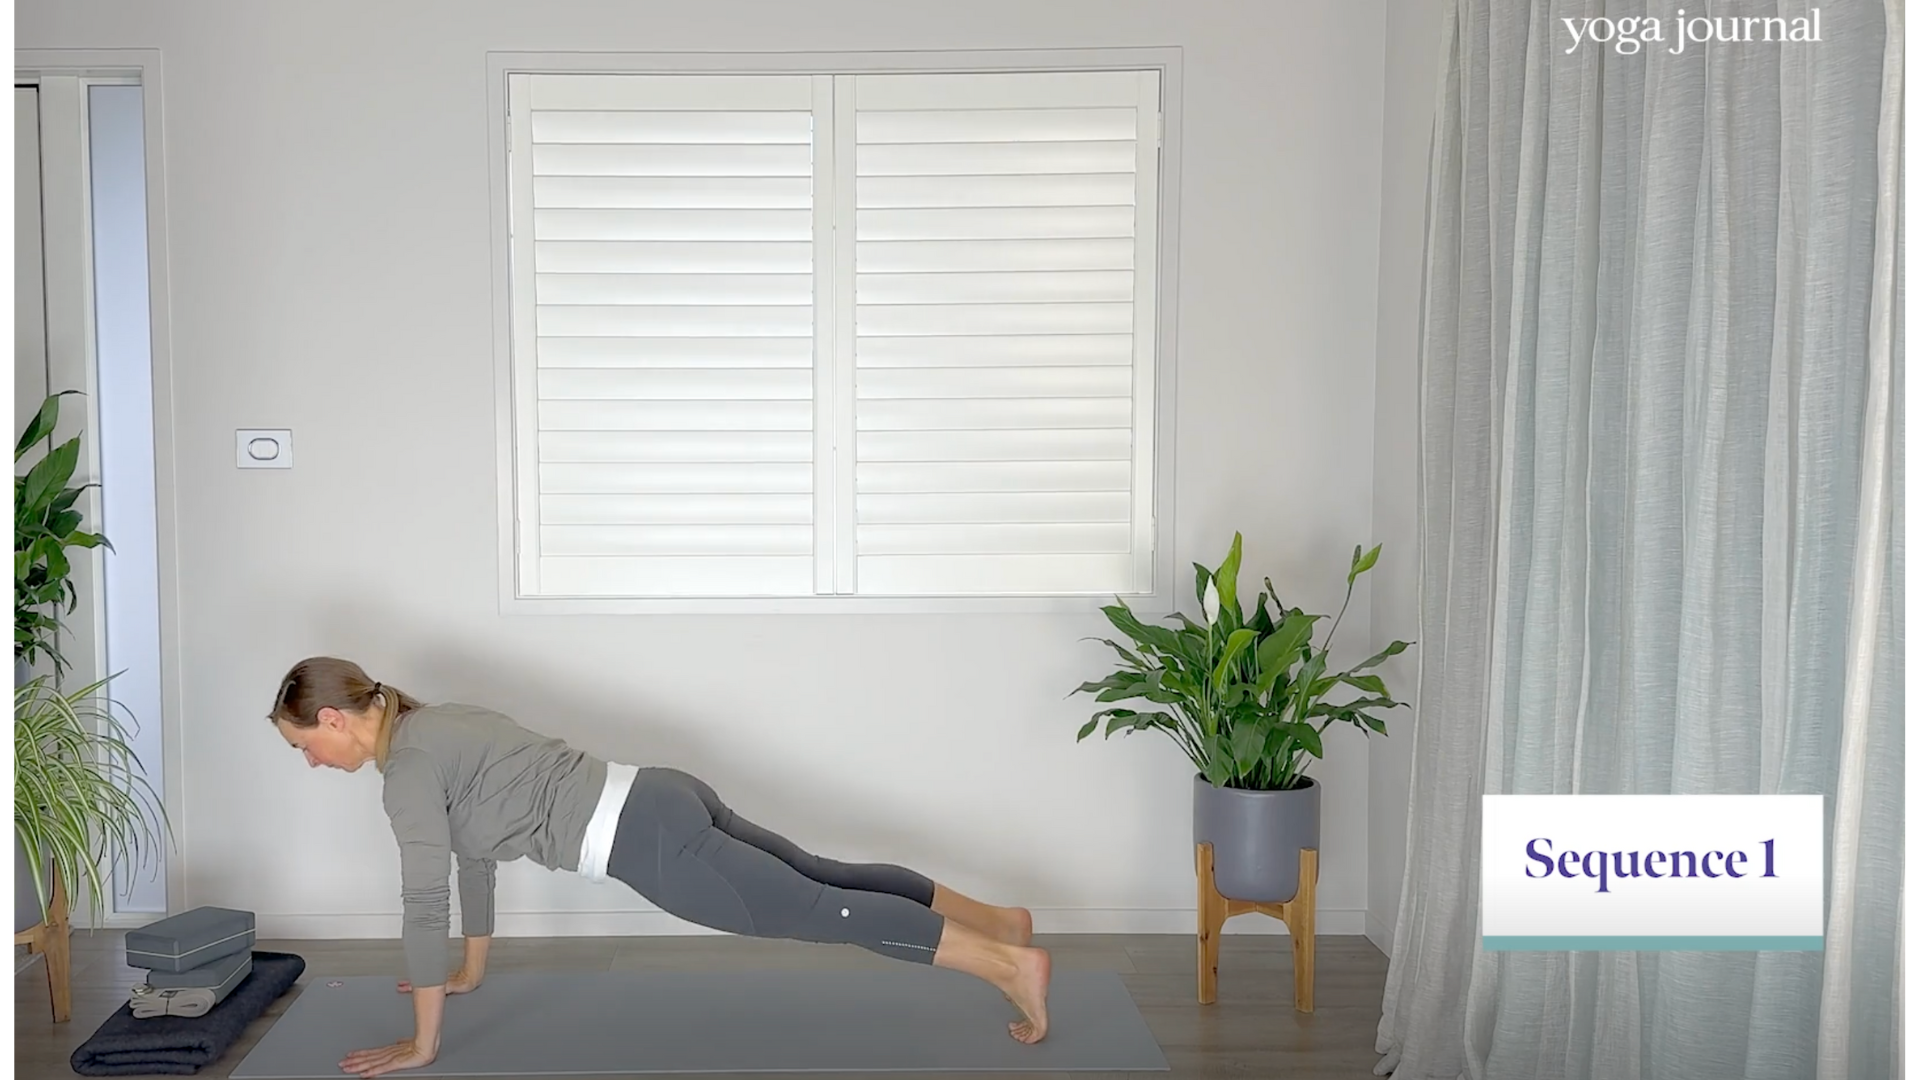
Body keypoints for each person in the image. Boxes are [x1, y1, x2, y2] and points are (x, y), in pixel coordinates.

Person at [268, 657, 1053, 1079]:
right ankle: (996, 920)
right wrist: (471, 974)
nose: (310, 762)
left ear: (333, 719)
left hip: (644, 842)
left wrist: (423, 1044)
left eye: (303, 746)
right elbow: (474, 866)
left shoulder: (406, 771)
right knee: (821, 875)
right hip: (660, 791)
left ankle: (1004, 964)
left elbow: (422, 903)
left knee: (816, 912)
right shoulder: (436, 723)